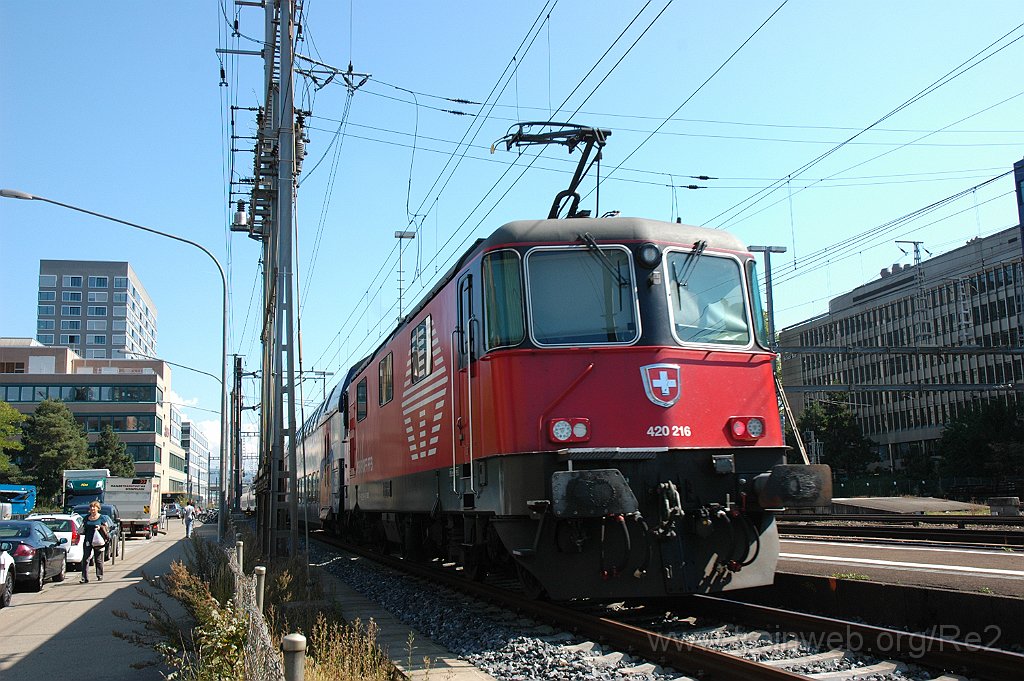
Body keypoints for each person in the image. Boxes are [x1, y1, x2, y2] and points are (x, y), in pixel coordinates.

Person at [81, 500, 111, 583]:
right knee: (86, 558)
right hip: (88, 540)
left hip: (98, 540)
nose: (92, 508)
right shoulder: (87, 517)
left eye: (94, 507)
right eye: (91, 507)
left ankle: (99, 575)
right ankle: (84, 578)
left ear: (98, 508)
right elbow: (83, 527)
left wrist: (100, 527)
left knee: (98, 559)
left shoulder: (102, 518)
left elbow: (107, 528)